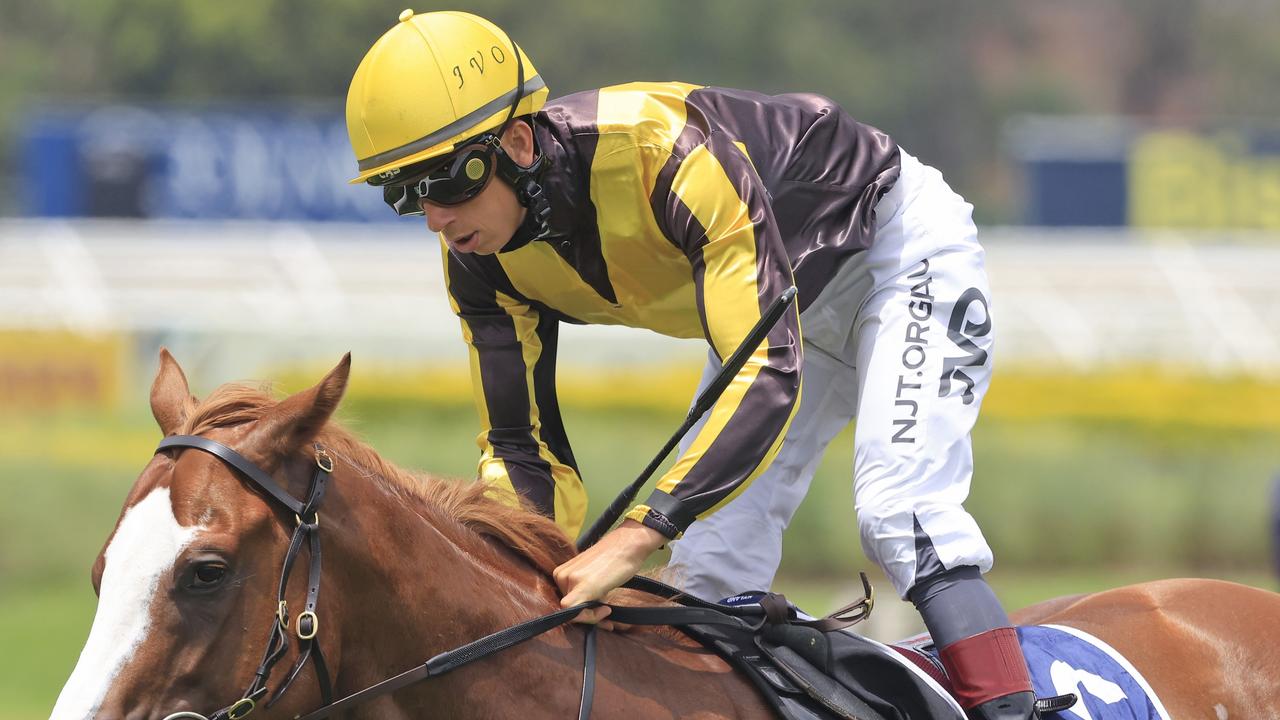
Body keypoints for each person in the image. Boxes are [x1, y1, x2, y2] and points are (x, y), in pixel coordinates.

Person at [346, 10, 1037, 719]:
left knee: (901, 512)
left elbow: (767, 369)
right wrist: (534, 573)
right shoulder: (477, 258)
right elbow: (522, 447)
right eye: (405, 193)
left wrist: (635, 536)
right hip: (776, 306)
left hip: (890, 255)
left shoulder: (662, 152)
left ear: (517, 143)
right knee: (707, 572)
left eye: (446, 182)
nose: (433, 216)